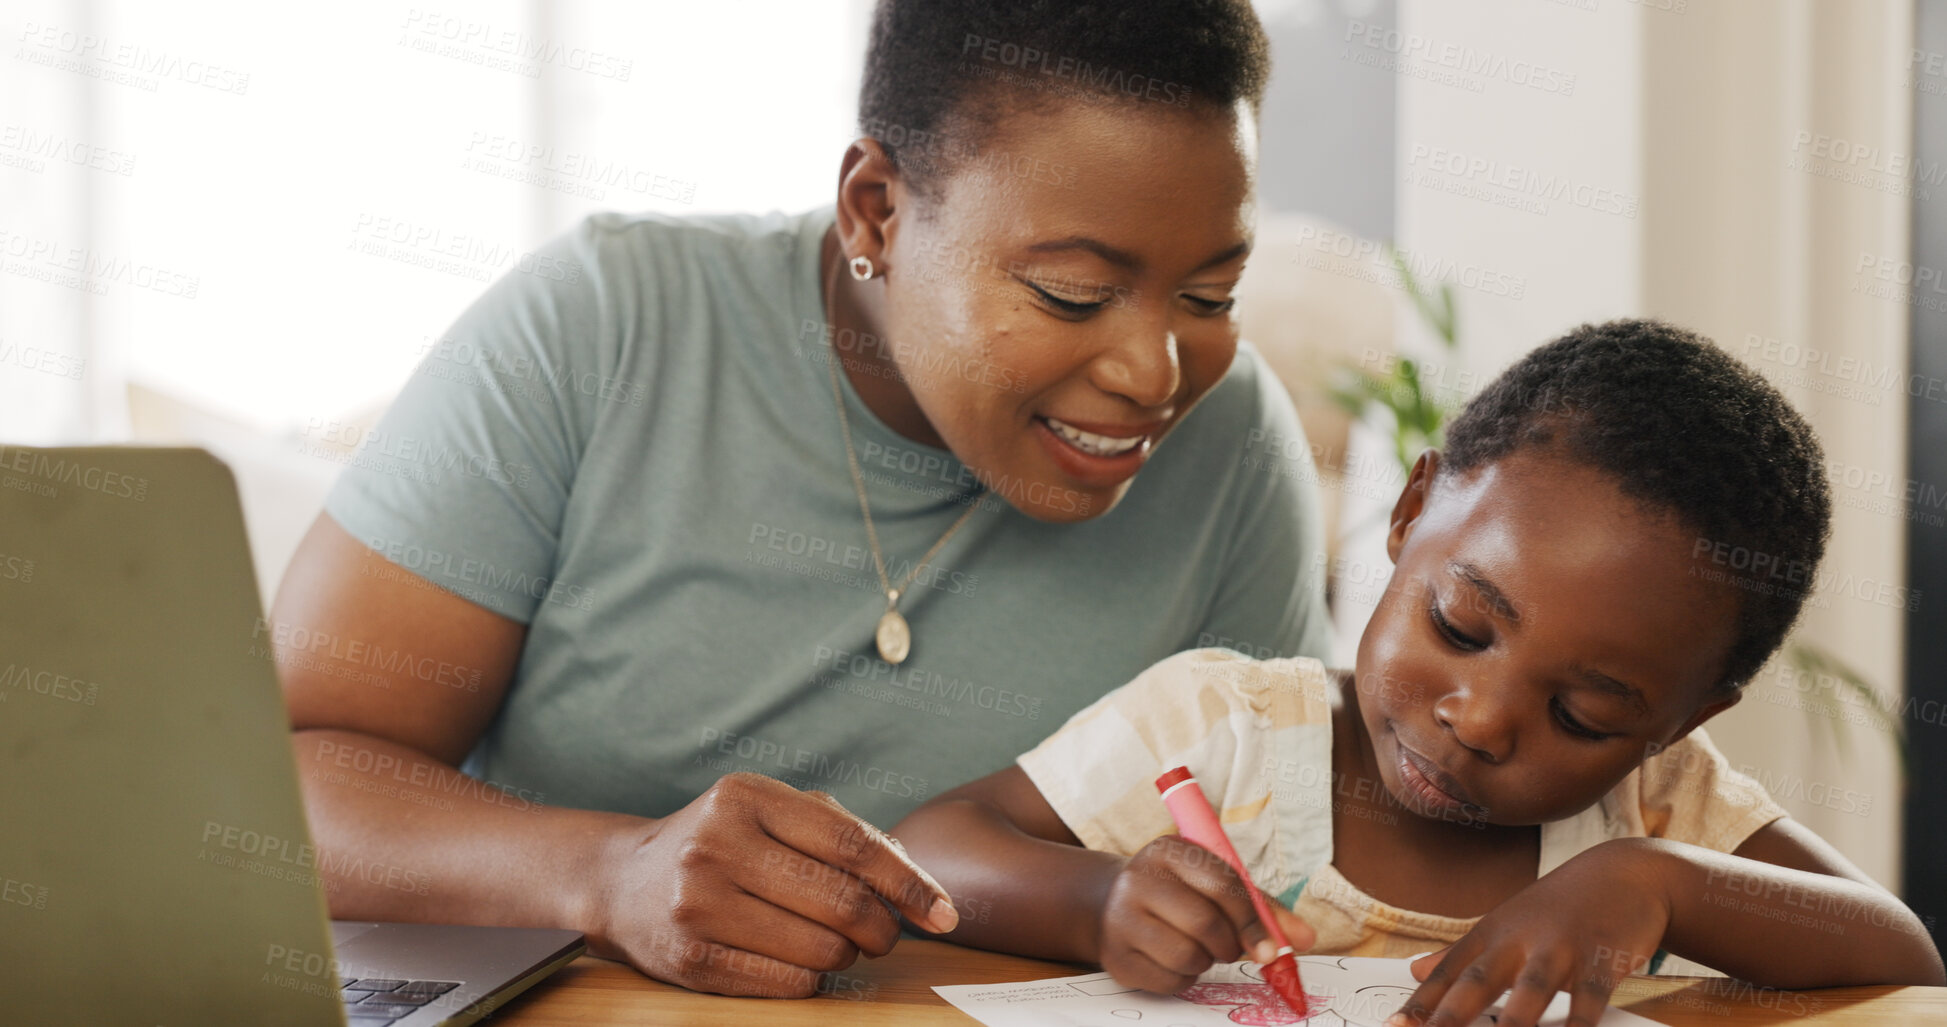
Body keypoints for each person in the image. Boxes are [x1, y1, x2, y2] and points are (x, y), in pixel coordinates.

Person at [271, 0, 1332, 999]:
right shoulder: (603, 331)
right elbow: (279, 787)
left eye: (1209, 296)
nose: (1153, 372)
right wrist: (604, 871)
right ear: (876, 211)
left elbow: (1307, 852)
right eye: (1073, 293)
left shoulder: (1233, 449)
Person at [890, 320, 1947, 1026]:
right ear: (1409, 514)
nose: (1480, 718)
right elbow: (932, 848)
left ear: (1683, 720)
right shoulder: (1220, 724)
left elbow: (1902, 959)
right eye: (1461, 624)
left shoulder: (1658, 810)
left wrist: (1658, 883)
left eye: (1582, 713)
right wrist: (1099, 898)